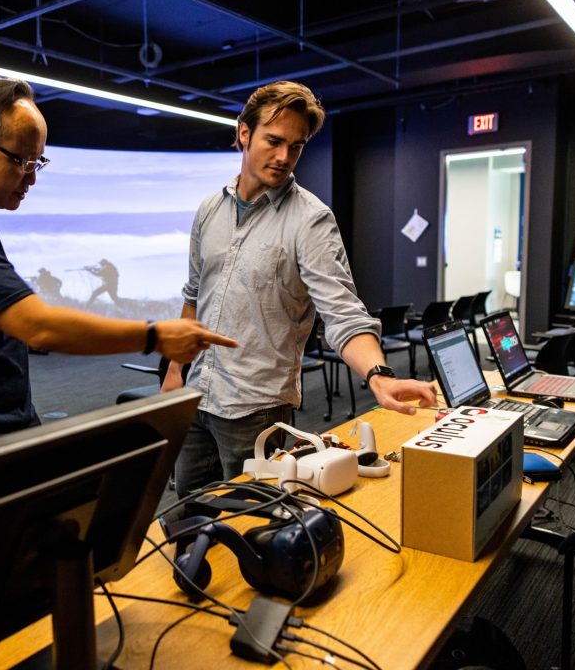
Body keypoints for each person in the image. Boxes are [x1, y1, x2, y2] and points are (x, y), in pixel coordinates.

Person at [0, 78, 236, 465]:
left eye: (38, 162)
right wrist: (155, 335)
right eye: (21, 161)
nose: (31, 178)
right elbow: (38, 327)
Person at [161, 80, 436, 497]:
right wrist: (175, 372)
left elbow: (343, 311)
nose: (284, 157)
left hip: (256, 409)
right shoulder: (209, 210)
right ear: (244, 133)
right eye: (274, 141)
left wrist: (378, 375)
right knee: (188, 514)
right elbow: (194, 294)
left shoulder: (311, 220)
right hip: (198, 393)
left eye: (296, 146)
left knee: (252, 520)